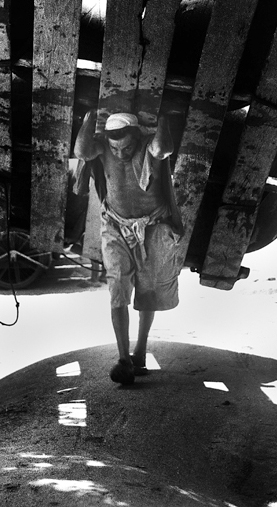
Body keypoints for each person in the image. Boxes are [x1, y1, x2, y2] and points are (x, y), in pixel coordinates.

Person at [74, 110, 183, 385]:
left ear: (138, 136)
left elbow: (163, 147)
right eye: (115, 148)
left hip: (153, 227)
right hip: (115, 225)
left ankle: (140, 351)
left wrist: (163, 117)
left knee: (149, 290)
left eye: (127, 147)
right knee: (117, 288)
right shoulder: (103, 148)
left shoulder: (148, 146)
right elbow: (82, 150)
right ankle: (123, 358)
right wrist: (89, 114)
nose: (121, 154)